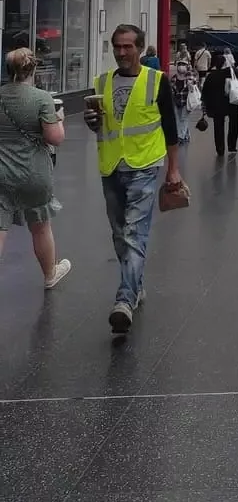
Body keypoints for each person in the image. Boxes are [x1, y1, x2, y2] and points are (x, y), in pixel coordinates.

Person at [84, 23, 181, 334]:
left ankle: (124, 300)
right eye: (117, 46)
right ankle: (136, 286)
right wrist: (92, 121)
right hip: (111, 166)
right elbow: (99, 125)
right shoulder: (101, 82)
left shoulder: (157, 81)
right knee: (118, 234)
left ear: (140, 48)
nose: (122, 52)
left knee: (134, 234)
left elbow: (170, 127)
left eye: (128, 46)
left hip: (144, 166)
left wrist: (173, 168)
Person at [0, 47, 70, 288]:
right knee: (40, 226)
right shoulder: (42, 98)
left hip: (2, 171)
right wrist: (59, 119)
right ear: (34, 69)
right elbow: (54, 138)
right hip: (34, 172)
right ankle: (50, 274)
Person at [201, 51, 238, 156]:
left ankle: (220, 149)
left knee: (218, 127)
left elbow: (204, 92)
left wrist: (205, 105)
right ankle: (232, 146)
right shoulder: (231, 72)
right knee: (233, 124)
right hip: (232, 102)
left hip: (217, 105)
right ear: (224, 63)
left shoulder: (211, 76)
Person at [171, 55, 197, 146]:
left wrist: (190, 82)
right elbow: (172, 90)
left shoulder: (189, 76)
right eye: (180, 64)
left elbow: (193, 82)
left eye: (183, 64)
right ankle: (186, 135)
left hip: (187, 102)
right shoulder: (174, 78)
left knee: (183, 119)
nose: (181, 66)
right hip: (177, 102)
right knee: (179, 119)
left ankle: (180, 137)